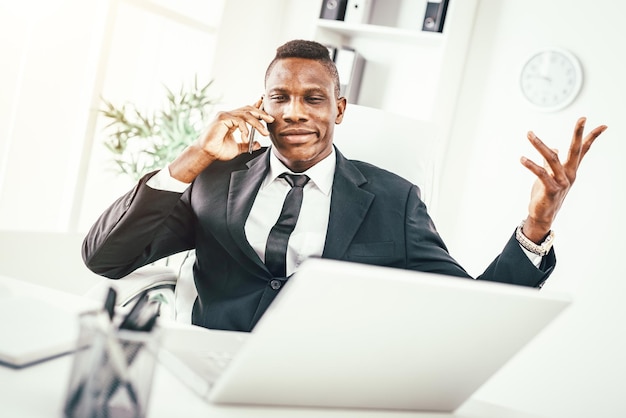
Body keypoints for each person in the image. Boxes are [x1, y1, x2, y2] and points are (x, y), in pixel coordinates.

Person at [82, 39, 607, 332]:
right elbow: (106, 257)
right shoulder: (214, 180)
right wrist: (192, 159)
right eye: (279, 97)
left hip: (318, 378)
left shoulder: (394, 200)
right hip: (210, 355)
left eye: (313, 98)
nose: (294, 113)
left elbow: (468, 308)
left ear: (339, 109)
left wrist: (536, 227)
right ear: (260, 106)